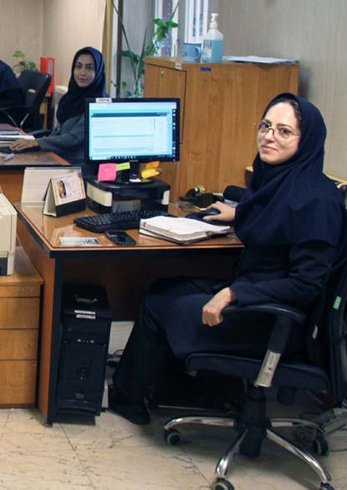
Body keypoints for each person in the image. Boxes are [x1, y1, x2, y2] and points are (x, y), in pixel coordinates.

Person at [108, 93, 347, 425]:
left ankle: (133, 398)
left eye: (284, 131)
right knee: (164, 288)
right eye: (265, 126)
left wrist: (233, 293)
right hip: (257, 295)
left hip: (275, 321)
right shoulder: (284, 181)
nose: (269, 136)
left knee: (162, 306)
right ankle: (175, 388)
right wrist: (238, 213)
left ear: (306, 140)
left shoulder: (317, 202)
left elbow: (305, 285)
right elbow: (275, 218)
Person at [12, 46, 105, 163]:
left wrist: (37, 142)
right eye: (78, 66)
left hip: (75, 164)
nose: (82, 73)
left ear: (98, 71)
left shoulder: (98, 104)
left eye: (89, 68)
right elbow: (59, 132)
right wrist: (31, 141)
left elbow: (73, 138)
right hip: (58, 156)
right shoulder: (71, 97)